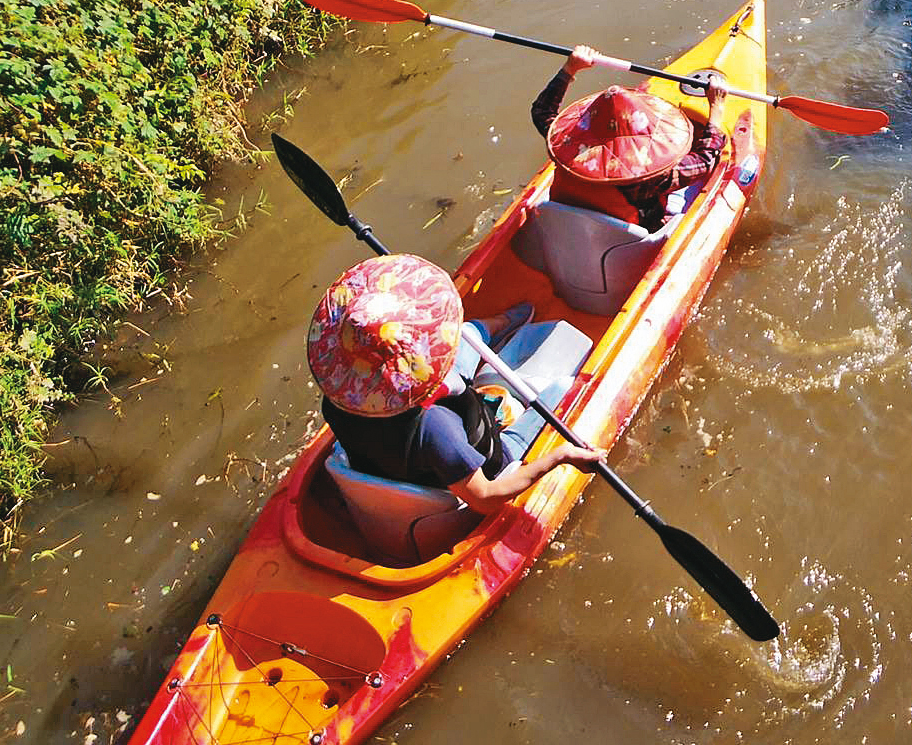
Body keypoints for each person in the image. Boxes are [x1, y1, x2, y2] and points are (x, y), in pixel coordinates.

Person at [308, 254, 605, 509]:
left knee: (466, 333)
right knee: (566, 388)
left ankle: (503, 322)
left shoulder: (336, 402)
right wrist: (559, 456)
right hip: (497, 456)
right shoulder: (436, 429)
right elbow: (484, 498)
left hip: (428, 446)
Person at [532, 48, 727, 230]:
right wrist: (716, 108)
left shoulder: (564, 144)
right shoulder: (649, 180)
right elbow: (705, 161)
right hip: (628, 238)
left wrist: (570, 68)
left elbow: (542, 111)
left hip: (570, 226)